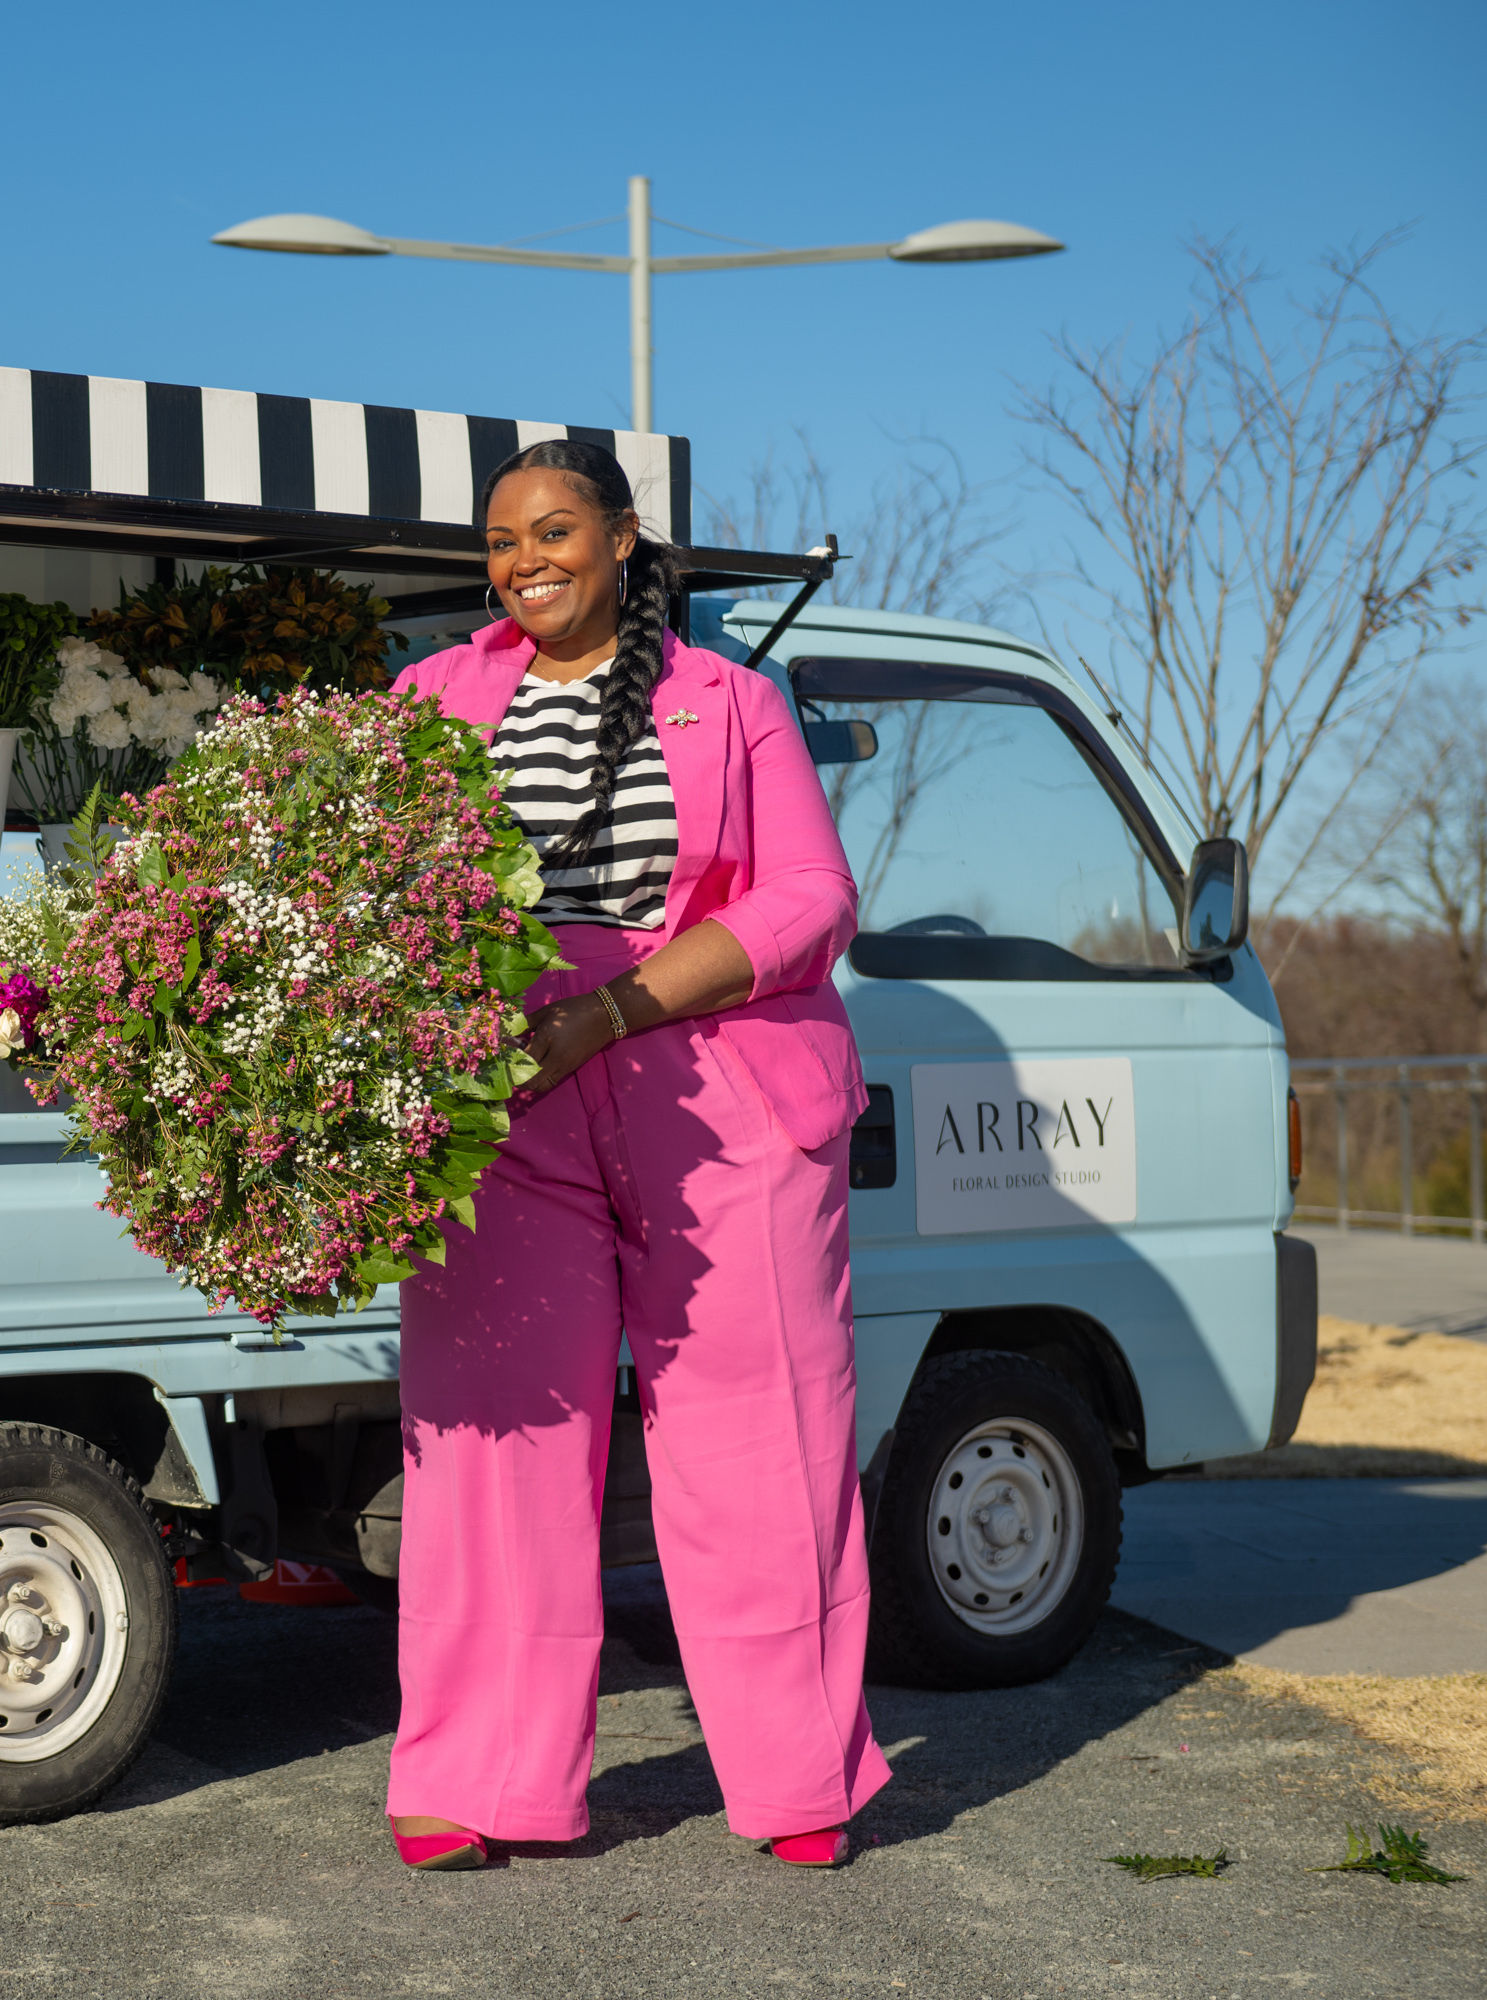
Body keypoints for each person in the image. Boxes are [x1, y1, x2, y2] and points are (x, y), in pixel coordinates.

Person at [381, 438, 889, 1872]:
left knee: (762, 1447)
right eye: (499, 541)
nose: (523, 561)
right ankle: (482, 1779)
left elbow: (811, 897)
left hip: (720, 1110)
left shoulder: (730, 701)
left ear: (619, 539)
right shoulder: (431, 706)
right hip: (509, 1113)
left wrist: (610, 1007)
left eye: (552, 530)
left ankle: (801, 1779)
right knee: (493, 1446)